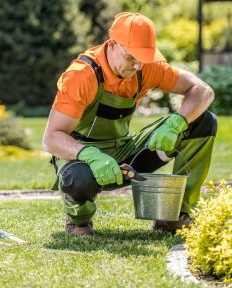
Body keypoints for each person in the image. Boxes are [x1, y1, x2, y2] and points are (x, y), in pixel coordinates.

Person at [42, 12, 217, 235]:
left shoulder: (145, 67)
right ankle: (79, 221)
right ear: (112, 43)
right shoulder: (82, 76)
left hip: (125, 154)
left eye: (143, 59)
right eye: (132, 57)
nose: (137, 66)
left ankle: (176, 217)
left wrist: (177, 122)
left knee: (203, 121)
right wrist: (91, 155)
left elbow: (203, 91)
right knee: (78, 179)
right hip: (82, 161)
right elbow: (51, 137)